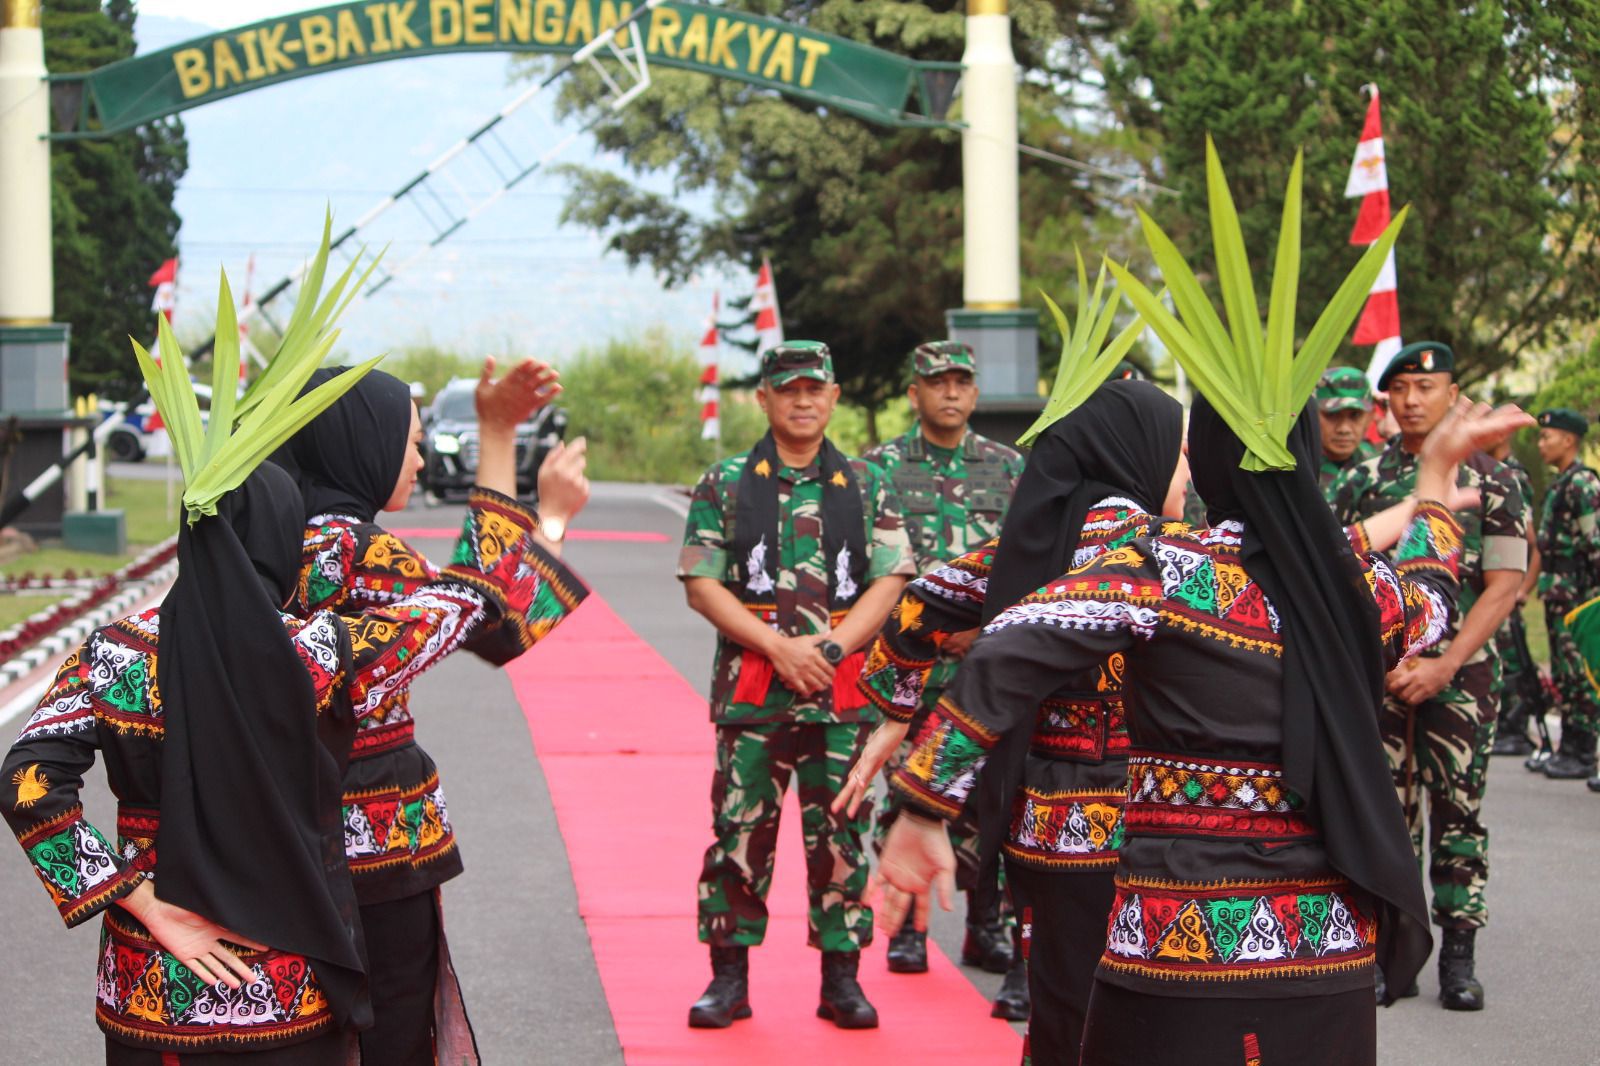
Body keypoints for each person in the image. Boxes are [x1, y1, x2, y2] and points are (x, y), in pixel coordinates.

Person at [872, 393, 1529, 1066]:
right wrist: (1434, 491)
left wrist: (926, 804)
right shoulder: (1350, 587)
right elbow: (1433, 600)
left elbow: (1006, 648)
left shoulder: (1165, 570)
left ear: (1211, 463)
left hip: (1173, 939)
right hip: (1325, 946)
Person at [1, 361, 587, 1063]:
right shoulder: (315, 652)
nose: (421, 455)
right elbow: (471, 610)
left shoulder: (112, 653)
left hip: (153, 971)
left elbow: (26, 782)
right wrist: (541, 516)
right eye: (411, 439)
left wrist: (132, 894)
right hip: (307, 935)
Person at [842, 379, 1186, 1063]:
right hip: (1156, 831)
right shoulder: (1175, 557)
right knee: (1145, 1016)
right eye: (1178, 454)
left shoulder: (1033, 545)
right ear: (1141, 453)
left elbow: (919, 604)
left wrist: (896, 712)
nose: (1188, 471)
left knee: (1062, 1006)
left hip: (1047, 826)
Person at [272, 360, 591, 1065]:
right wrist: (557, 521)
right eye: (408, 442)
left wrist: (496, 429)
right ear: (364, 445)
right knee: (389, 1032)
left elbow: (468, 591)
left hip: (276, 836)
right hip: (374, 844)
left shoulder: (263, 543)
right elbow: (490, 620)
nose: (416, 459)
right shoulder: (360, 550)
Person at [678, 340, 914, 1030]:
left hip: (841, 700)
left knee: (841, 836)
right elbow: (701, 583)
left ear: (834, 397)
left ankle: (842, 979)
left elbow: (891, 579)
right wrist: (778, 647)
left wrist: (832, 645)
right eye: (789, 390)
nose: (803, 400)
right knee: (738, 835)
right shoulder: (724, 482)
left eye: (815, 389)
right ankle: (728, 979)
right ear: (765, 399)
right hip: (752, 694)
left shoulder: (868, 485)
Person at [1330, 341, 1528, 1011]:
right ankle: (1389, 955)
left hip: (1462, 675)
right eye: (1402, 389)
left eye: (1427, 386)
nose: (1413, 400)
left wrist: (1444, 664)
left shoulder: (1494, 479)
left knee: (1458, 813)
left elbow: (1503, 586)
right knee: (1383, 813)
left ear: (1452, 394)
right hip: (1382, 674)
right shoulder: (1362, 478)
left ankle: (1459, 958)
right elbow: (1343, 575)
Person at [860, 340, 1025, 1001]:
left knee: (993, 800)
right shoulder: (879, 469)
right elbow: (873, 569)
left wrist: (983, 629)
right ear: (915, 394)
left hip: (989, 664)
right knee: (911, 791)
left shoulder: (1011, 468)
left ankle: (987, 924)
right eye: (937, 382)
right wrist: (926, 630)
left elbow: (1030, 560)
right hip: (914, 667)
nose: (950, 392)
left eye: (961, 381)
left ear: (976, 393)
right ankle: (908, 925)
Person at [1530, 408, 1600, 783]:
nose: (1541, 444)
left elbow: (1596, 543)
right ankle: (1569, 748)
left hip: (1579, 597)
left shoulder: (1583, 484)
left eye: (1547, 437)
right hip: (1559, 595)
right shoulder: (1562, 482)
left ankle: (1584, 751)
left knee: (1580, 675)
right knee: (1563, 673)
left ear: (1569, 440)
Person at [1484, 437, 1546, 759]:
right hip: (1495, 584)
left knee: (1512, 659)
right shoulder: (1487, 470)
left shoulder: (1512, 476)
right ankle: (1507, 726)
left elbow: (1532, 541)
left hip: (1507, 586)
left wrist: (1522, 589)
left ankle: (1517, 728)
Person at [1315, 365, 1377, 501]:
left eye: (1355, 415)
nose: (1344, 429)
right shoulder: (1295, 467)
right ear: (1313, 415)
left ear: (1370, 417)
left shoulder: (1380, 467)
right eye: (1332, 415)